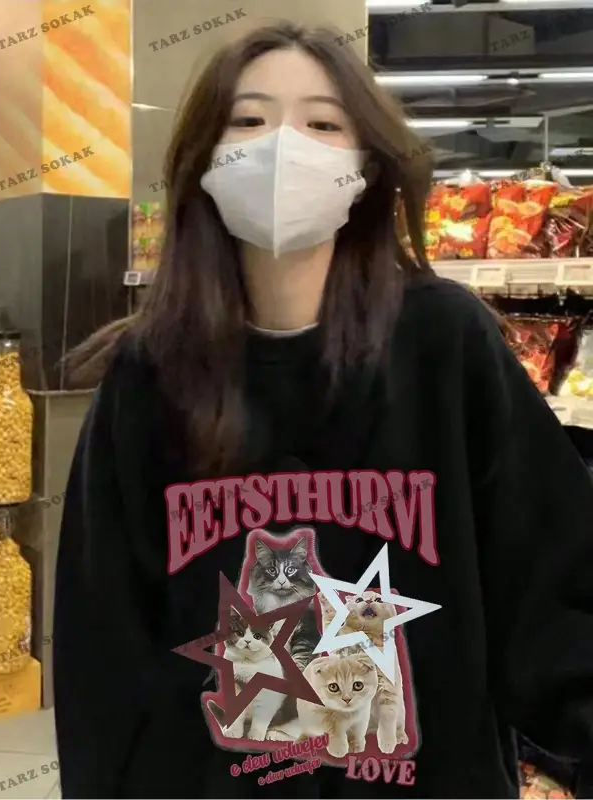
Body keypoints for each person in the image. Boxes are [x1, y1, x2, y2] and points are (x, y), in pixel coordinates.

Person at [53, 21, 593, 800]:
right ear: (204, 161)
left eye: (323, 124)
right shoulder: (149, 374)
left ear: (367, 166)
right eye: (248, 119)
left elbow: (553, 594)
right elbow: (101, 648)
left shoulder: (444, 346)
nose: (284, 147)